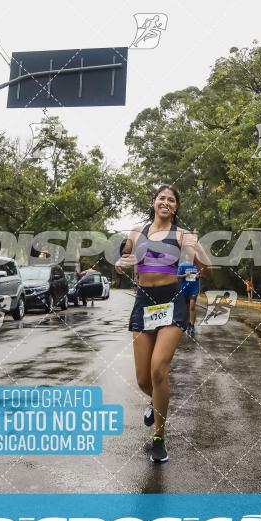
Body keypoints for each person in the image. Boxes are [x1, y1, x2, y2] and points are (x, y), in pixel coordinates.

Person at [115, 183, 209, 464]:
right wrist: (122, 263)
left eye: (171, 199)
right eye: (161, 198)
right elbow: (124, 260)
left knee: (158, 371)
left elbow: (208, 267)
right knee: (144, 379)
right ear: (154, 202)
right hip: (144, 302)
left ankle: (159, 437)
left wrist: (195, 259)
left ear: (176, 207)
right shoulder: (137, 232)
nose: (165, 202)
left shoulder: (183, 235)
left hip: (171, 302)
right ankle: (154, 402)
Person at [177, 257, 200, 337]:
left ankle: (192, 325)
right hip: (184, 289)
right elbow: (177, 276)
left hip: (194, 289)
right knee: (186, 308)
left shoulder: (197, 266)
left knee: (192, 307)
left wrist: (198, 276)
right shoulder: (182, 265)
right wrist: (185, 275)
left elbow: (203, 274)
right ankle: (187, 323)